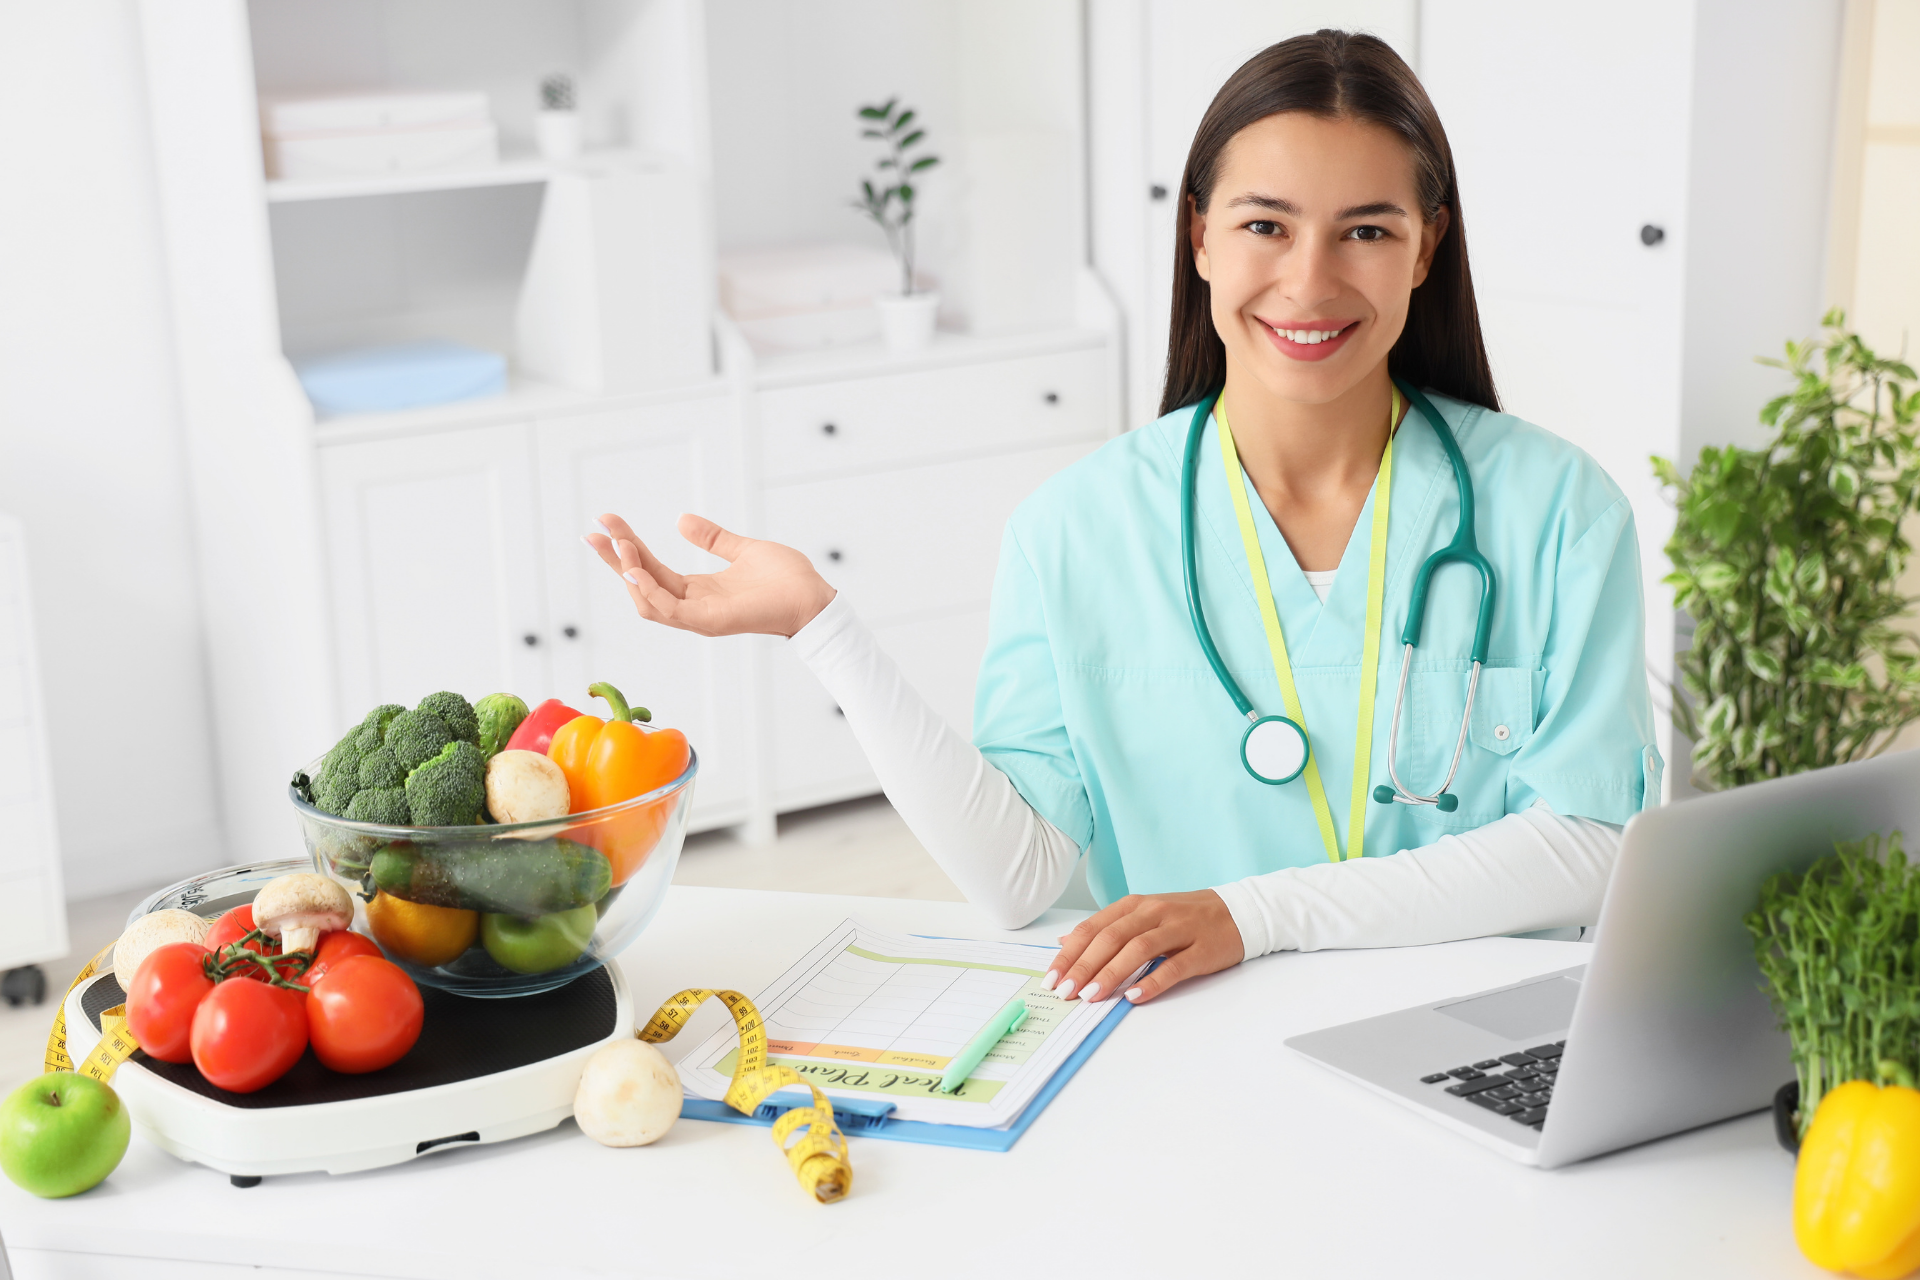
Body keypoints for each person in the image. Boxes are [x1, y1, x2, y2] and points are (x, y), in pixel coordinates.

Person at [582, 31, 1660, 1010]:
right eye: (1264, 225)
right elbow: (1017, 878)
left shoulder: (1556, 510)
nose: (1309, 279)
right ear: (1199, 237)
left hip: (1469, 1034)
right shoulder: (1076, 530)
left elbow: (1589, 843)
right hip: (1191, 1042)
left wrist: (1260, 914)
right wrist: (824, 630)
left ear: (1425, 249)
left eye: (1366, 230)